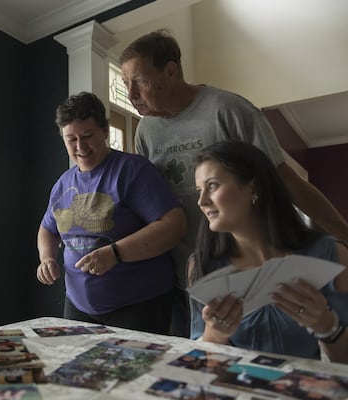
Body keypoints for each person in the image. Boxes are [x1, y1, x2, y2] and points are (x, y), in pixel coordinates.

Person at [119, 29, 348, 338]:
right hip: (178, 276)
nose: (131, 94)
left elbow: (284, 179)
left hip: (238, 273)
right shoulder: (146, 131)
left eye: (140, 81)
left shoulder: (228, 110)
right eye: (125, 84)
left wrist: (342, 234)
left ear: (171, 71)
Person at [36, 91, 186, 333]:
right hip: (77, 306)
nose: (80, 146)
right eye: (70, 139)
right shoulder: (63, 183)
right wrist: (47, 258)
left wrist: (116, 253)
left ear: (105, 130)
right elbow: (47, 228)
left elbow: (174, 225)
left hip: (138, 305)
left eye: (87, 136)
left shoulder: (132, 170)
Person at [189, 141, 348, 363]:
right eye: (199, 190)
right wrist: (215, 335)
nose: (201, 201)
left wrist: (327, 326)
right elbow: (200, 366)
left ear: (253, 188)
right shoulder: (202, 265)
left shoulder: (331, 254)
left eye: (212, 186)